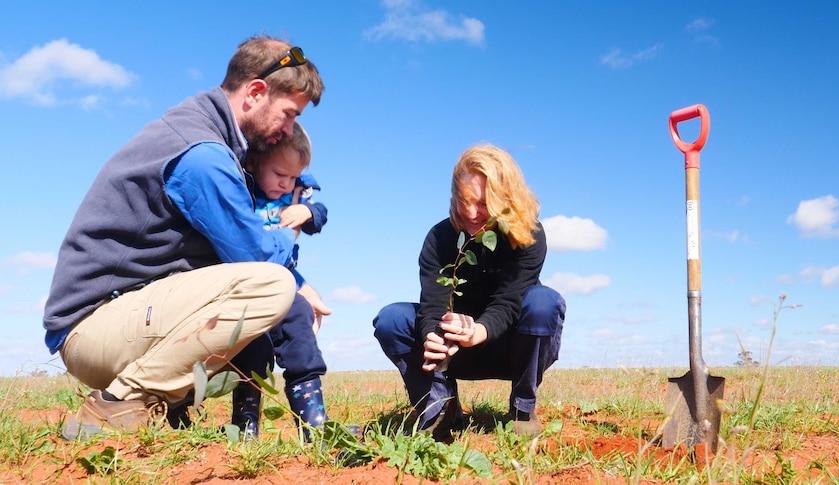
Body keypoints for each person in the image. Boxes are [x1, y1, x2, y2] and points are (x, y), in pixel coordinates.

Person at [43, 35, 324, 441]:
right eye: (288, 114)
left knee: (267, 304)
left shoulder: (209, 136)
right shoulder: (202, 154)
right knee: (271, 286)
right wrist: (291, 238)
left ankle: (166, 408)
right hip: (91, 330)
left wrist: (303, 282)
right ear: (256, 92)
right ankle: (118, 403)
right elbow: (257, 258)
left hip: (119, 319)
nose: (290, 129)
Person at [372, 144, 566, 439]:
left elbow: (509, 302)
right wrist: (432, 337)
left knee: (544, 302)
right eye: (465, 201)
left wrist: (478, 330)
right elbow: (432, 305)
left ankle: (522, 408)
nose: (472, 213)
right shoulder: (440, 238)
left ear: (507, 198)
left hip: (510, 348)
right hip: (457, 352)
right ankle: (439, 406)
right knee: (392, 319)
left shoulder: (530, 236)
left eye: (485, 203)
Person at [241, 122, 345, 441]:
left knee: (299, 322)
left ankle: (313, 421)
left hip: (282, 279)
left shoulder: (293, 192)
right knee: (253, 350)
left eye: (292, 178)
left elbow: (321, 214)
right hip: (242, 281)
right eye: (278, 174)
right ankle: (245, 425)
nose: (285, 183)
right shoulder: (240, 192)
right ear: (253, 163)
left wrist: (306, 211)